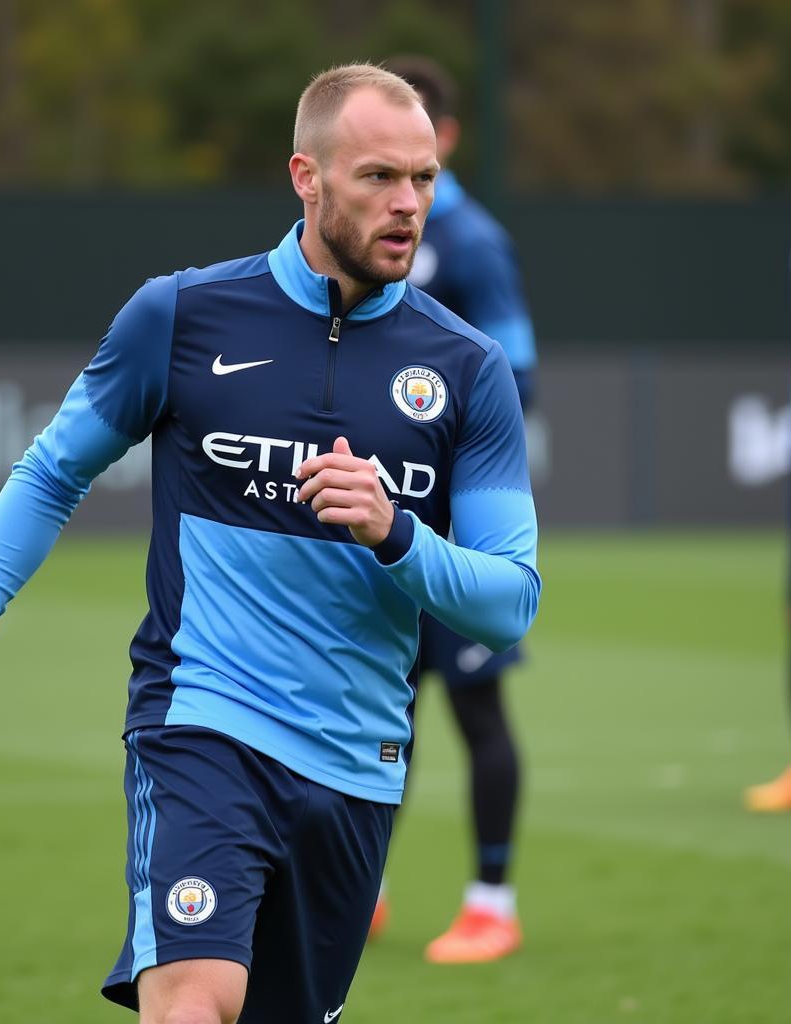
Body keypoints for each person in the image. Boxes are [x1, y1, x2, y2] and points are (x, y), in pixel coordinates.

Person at [0, 63, 540, 1024]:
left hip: (359, 768)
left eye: (423, 180)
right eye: (377, 179)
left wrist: (396, 532)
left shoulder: (467, 369)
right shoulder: (183, 316)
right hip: (201, 727)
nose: (409, 206)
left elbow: (509, 598)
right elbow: (48, 474)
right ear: (305, 178)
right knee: (194, 1005)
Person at [369, 55, 539, 965]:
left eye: (419, 139)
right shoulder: (356, 231)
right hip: (373, 527)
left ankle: (491, 904)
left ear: (449, 137)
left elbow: (521, 378)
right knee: (376, 709)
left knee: (477, 712)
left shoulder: (471, 241)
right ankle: (366, 891)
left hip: (456, 532)